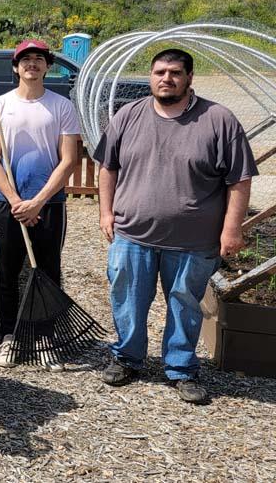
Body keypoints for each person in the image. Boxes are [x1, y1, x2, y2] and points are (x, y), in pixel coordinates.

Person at [93, 48, 256, 404]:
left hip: (193, 241)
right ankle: (127, 358)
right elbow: (108, 167)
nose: (166, 78)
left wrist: (232, 229)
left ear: (189, 78)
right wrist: (106, 213)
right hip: (132, 234)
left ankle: (180, 368)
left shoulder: (218, 120)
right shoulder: (127, 116)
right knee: (127, 299)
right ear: (151, 76)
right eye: (160, 72)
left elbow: (239, 181)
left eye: (175, 73)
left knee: (184, 303)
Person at [0, 40, 81, 367]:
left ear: (47, 67)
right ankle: (8, 336)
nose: (32, 64)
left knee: (47, 271)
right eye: (25, 60)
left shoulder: (61, 106)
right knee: (7, 272)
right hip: (7, 202)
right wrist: (15, 200)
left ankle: (44, 336)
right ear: (16, 67)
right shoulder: (0, 105)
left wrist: (37, 202)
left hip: (48, 203)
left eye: (38, 59)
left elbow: (67, 161)